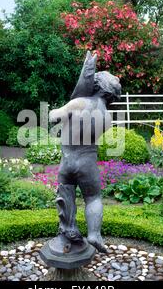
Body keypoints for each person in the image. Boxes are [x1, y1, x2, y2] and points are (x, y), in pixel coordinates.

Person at [49, 51, 121, 253]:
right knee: (93, 198)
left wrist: (61, 112)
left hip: (68, 159)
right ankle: (94, 234)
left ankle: (68, 229)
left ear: (95, 85)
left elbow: (54, 116)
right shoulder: (107, 117)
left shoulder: (79, 103)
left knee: (66, 193)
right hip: (88, 162)